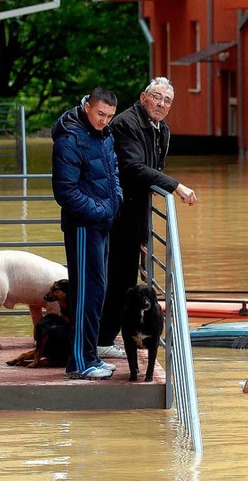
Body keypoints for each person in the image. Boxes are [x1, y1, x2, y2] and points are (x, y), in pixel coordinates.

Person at [97, 77, 197, 358]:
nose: (161, 104)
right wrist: (175, 186)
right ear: (143, 97)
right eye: (156, 97)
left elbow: (152, 167)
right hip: (116, 213)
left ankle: (111, 338)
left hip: (135, 216)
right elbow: (133, 168)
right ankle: (102, 340)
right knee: (117, 280)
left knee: (126, 279)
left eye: (167, 101)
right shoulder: (127, 123)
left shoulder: (161, 129)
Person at [51, 87, 123, 380]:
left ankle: (90, 355)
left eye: (109, 116)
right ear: (88, 106)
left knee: (97, 292)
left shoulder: (103, 134)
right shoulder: (70, 138)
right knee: (85, 294)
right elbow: (65, 192)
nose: (104, 120)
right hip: (83, 227)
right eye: (100, 114)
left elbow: (114, 173)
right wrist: (101, 211)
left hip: (100, 223)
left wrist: (115, 201)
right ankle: (80, 362)